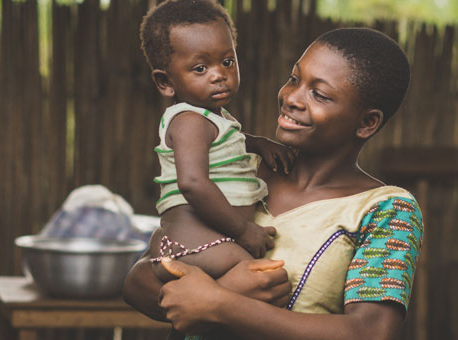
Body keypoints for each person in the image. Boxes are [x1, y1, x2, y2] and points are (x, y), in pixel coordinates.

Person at [124, 27, 422, 340]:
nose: (292, 98)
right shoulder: (238, 170)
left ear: (367, 123)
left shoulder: (386, 210)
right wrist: (219, 294)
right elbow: (139, 280)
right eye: (294, 79)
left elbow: (371, 332)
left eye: (319, 94)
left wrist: (221, 304)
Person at [139, 0, 296, 285]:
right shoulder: (189, 121)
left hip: (199, 243)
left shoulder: (208, 119)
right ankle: (192, 286)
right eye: (200, 68)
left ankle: (191, 284)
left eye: (227, 61)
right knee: (264, 280)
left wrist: (258, 144)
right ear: (166, 82)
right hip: (197, 245)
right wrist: (242, 230)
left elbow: (224, 142)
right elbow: (193, 183)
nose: (218, 74)